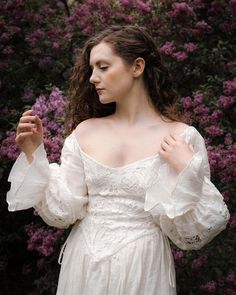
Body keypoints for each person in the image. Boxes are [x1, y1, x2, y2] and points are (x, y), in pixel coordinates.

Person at [7, 25, 230, 295]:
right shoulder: (84, 132)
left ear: (137, 67)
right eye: (91, 69)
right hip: (85, 263)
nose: (92, 78)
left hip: (144, 265)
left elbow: (193, 231)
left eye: (102, 66)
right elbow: (64, 211)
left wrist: (187, 170)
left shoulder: (181, 138)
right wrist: (33, 152)